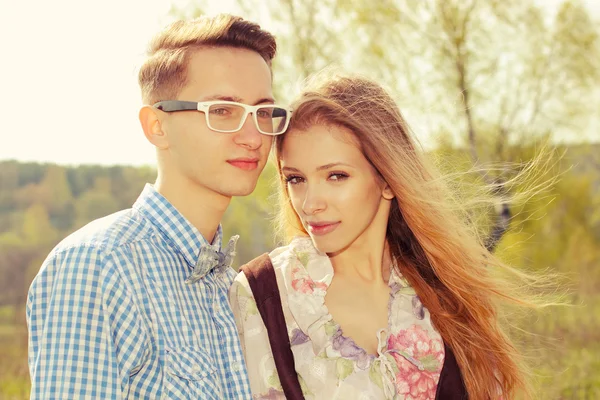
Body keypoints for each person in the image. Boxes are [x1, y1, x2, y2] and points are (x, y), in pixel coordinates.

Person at [230, 71, 541, 399]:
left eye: (336, 176)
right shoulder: (260, 295)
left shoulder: (447, 294)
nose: (310, 204)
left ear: (389, 180)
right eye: (295, 179)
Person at [26, 14, 291, 399]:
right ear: (156, 125)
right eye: (222, 110)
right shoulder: (99, 265)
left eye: (262, 112)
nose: (253, 137)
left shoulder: (230, 287)